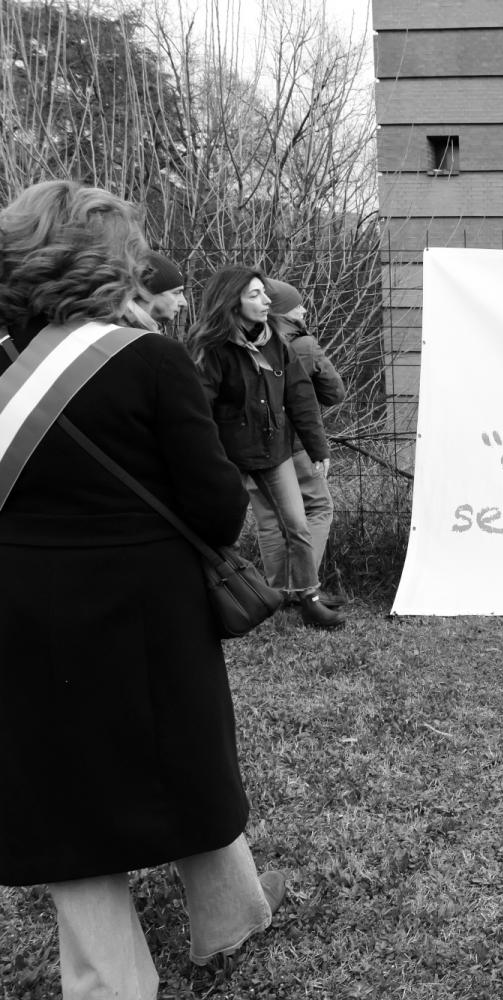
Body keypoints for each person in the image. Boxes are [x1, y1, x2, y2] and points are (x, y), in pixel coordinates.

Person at [0, 180, 286, 998]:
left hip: (23, 604)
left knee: (61, 783)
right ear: (113, 264)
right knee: (185, 757)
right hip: (151, 606)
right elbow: (218, 507)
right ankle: (229, 922)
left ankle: (107, 979)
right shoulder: (152, 358)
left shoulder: (6, 366)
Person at [188, 266, 344, 628]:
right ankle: (218, 598)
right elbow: (199, 407)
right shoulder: (211, 348)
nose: (266, 301)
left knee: (297, 524)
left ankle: (309, 599)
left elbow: (300, 395)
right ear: (233, 302)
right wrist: (204, 458)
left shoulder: (277, 343)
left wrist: (318, 448)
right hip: (227, 457)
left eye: (265, 293)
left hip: (275, 452)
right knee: (220, 529)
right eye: (255, 295)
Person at [248, 277, 348, 606]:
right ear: (283, 312)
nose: (304, 310)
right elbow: (334, 393)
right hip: (294, 444)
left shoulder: (246, 342)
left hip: (253, 445)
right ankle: (305, 587)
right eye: (297, 306)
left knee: (268, 519)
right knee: (319, 507)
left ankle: (278, 592)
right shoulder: (301, 345)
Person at [120, 250, 188, 332]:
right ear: (146, 292)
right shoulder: (131, 335)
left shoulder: (124, 327)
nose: (184, 303)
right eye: (176, 293)